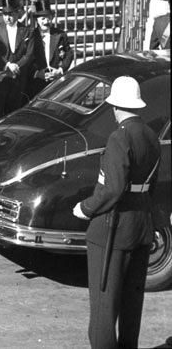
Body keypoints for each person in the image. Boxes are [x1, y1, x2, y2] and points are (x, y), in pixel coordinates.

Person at [71, 76, 160, 349]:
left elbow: (113, 188)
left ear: (115, 107)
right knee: (131, 304)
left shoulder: (120, 137)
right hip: (141, 225)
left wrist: (85, 208)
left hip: (113, 228)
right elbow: (151, 187)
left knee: (104, 308)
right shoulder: (151, 136)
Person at [0, 0, 35, 128]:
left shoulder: (26, 31)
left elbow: (29, 54)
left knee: (14, 106)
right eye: (5, 15)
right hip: (0, 74)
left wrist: (17, 65)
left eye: (11, 14)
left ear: (17, 13)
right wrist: (7, 64)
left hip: (18, 75)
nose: (8, 18)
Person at [29, 0, 74, 98]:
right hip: (36, 83)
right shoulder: (31, 36)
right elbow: (27, 58)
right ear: (37, 20)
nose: (46, 22)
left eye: (48, 18)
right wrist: (38, 73)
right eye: (43, 18)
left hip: (56, 82)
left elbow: (69, 54)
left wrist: (60, 70)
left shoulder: (60, 34)